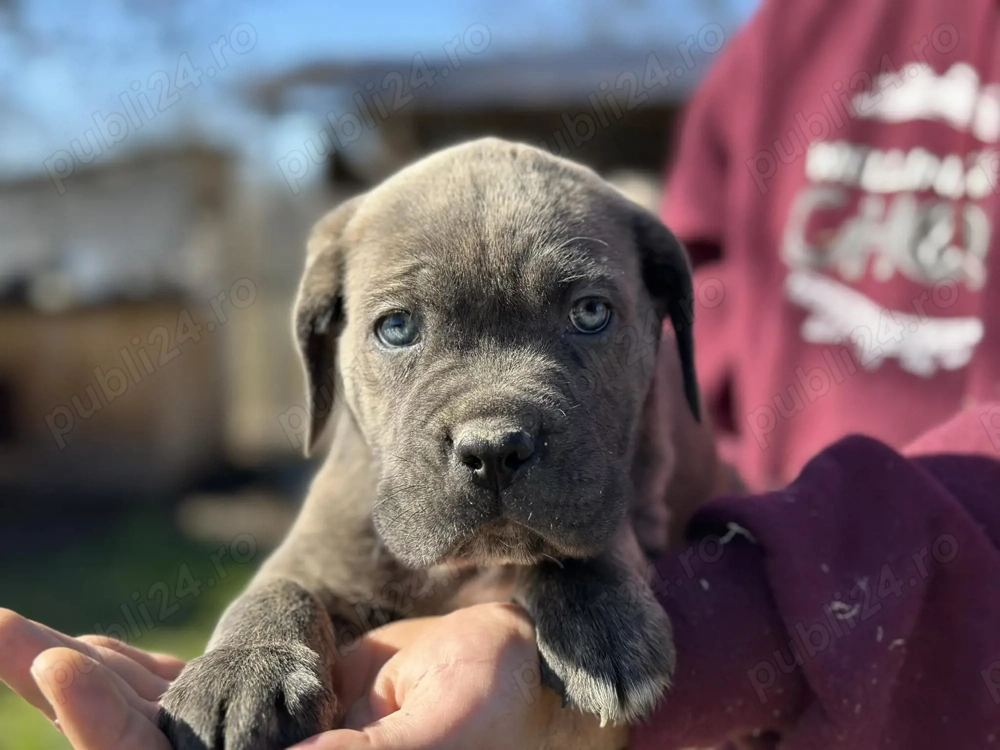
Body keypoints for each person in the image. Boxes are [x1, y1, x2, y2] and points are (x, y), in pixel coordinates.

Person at [3, 0, 1000, 747]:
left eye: (586, 314)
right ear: (325, 340)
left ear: (661, 324)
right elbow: (308, 575)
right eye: (400, 329)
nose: (492, 425)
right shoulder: (794, 41)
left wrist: (654, 578)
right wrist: (263, 632)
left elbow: (678, 471)